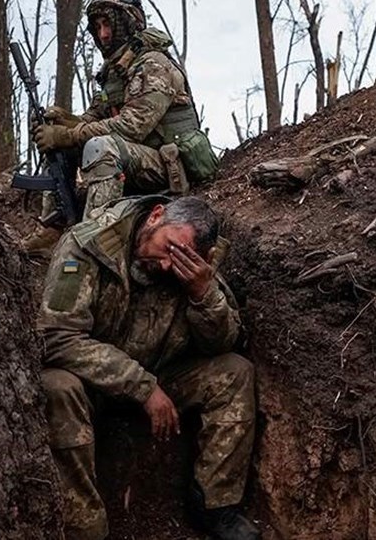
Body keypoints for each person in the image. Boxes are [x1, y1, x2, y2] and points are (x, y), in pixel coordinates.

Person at [38, 195, 259, 540]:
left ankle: (214, 505)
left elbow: (223, 345)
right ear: (156, 216)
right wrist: (142, 386)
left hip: (162, 372)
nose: (170, 266)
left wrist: (203, 294)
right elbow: (56, 337)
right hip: (92, 383)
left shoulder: (195, 266)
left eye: (183, 260)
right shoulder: (88, 245)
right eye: (170, 248)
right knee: (56, 387)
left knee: (235, 372)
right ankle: (84, 526)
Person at [23, 0, 217, 257]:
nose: (103, 34)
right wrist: (62, 122)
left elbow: (132, 126)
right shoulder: (113, 73)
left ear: (129, 23)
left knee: (101, 146)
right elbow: (93, 119)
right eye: (98, 26)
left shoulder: (154, 64)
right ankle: (53, 229)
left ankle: (94, 240)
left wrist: (68, 134)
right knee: (66, 145)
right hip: (134, 159)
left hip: (168, 167)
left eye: (109, 25)